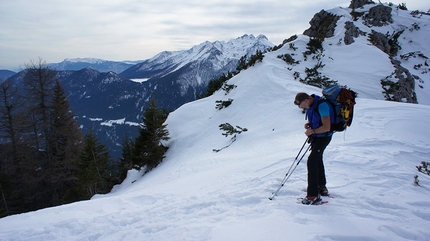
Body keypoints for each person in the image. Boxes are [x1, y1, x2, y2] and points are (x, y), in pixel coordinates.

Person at [294, 92, 333, 205]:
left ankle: (313, 196)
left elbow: (326, 127)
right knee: (317, 159)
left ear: (307, 100)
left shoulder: (322, 105)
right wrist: (310, 125)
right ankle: (321, 187)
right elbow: (319, 121)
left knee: (312, 162)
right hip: (318, 137)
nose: (301, 107)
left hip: (323, 137)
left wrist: (313, 131)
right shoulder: (313, 105)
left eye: (301, 104)